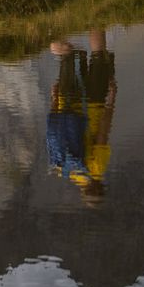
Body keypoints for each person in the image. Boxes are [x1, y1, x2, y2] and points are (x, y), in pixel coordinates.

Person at [47, 29, 117, 202]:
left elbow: (102, 134)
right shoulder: (66, 170)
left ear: (100, 187)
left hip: (93, 103)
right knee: (66, 54)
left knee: (99, 54)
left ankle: (95, 15)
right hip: (65, 105)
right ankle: (61, 22)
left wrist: (111, 101)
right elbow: (54, 132)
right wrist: (54, 101)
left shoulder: (96, 170)